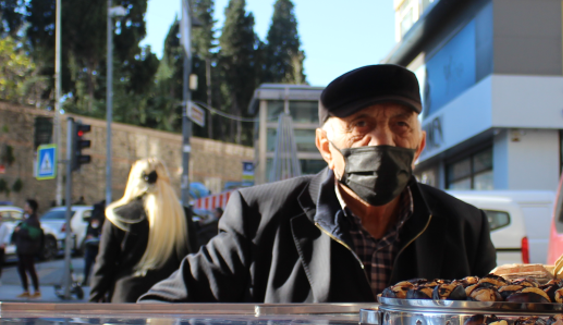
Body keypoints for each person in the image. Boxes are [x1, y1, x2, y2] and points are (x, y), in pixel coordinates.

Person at [142, 64, 496, 304]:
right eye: (361, 125)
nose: (381, 141)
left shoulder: (465, 227)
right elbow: (164, 309)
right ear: (325, 146)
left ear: (419, 146)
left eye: (400, 125)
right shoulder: (260, 218)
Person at [89, 159, 197, 304]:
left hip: (126, 300)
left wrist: (94, 300)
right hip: (169, 300)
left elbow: (104, 265)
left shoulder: (118, 215)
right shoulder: (180, 215)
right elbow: (191, 261)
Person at [11, 199, 45, 299]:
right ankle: (26, 290)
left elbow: (33, 235)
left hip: (28, 249)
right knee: (21, 269)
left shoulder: (34, 221)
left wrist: (20, 231)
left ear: (31, 208)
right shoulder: (27, 219)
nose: (24, 208)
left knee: (30, 269)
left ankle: (36, 290)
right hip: (22, 248)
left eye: (26, 206)